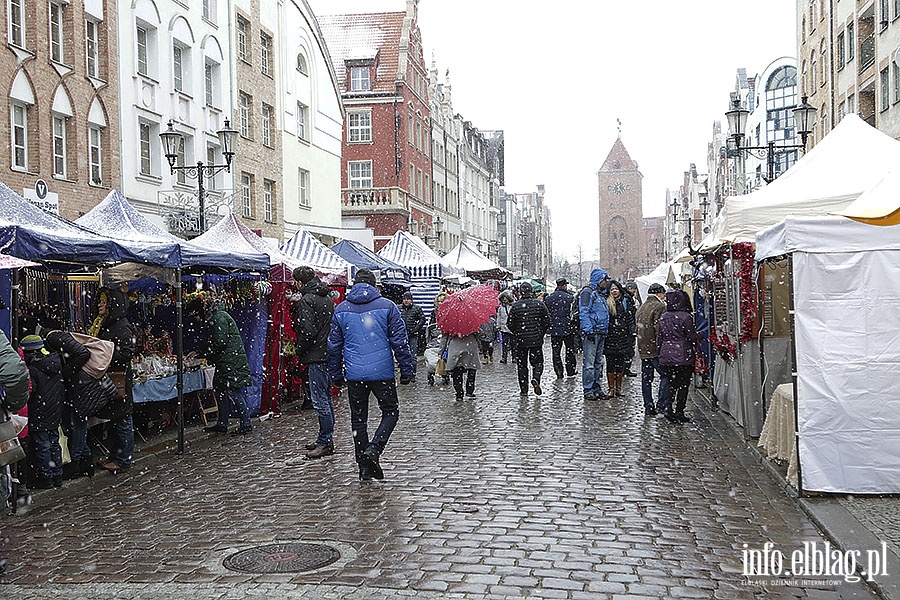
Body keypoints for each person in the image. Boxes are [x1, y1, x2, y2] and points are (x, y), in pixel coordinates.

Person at [327, 269, 414, 481]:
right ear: (374, 285)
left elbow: (333, 346)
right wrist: (406, 369)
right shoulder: (388, 306)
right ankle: (374, 449)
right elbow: (400, 342)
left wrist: (336, 374)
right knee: (390, 412)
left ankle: (363, 466)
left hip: (355, 374)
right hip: (382, 372)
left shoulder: (341, 309)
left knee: (359, 419)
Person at [186, 295, 253, 435]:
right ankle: (222, 423)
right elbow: (216, 341)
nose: (197, 320)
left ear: (201, 312)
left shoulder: (219, 318)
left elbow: (219, 342)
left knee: (233, 392)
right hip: (227, 361)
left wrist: (202, 352)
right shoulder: (217, 317)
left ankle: (246, 423)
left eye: (196, 316)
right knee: (221, 391)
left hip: (230, 361)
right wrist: (200, 351)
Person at [291, 266, 336, 459]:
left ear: (300, 282)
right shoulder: (326, 297)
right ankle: (324, 439)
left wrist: (299, 349)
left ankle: (325, 441)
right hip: (328, 352)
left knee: (320, 400)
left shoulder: (307, 300)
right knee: (325, 398)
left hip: (317, 354)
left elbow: (307, 331)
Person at [91, 287, 136, 473]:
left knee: (123, 418)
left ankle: (124, 459)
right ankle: (115, 455)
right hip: (109, 377)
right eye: (100, 301)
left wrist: (105, 355)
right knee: (116, 419)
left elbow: (126, 353)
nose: (100, 305)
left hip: (118, 379)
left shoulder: (121, 326)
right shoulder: (103, 323)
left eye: (104, 302)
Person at [44, 329, 94, 478]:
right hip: (78, 385)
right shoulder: (57, 337)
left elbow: (83, 354)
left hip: (79, 386)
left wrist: (65, 374)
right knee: (77, 424)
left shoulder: (54, 337)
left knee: (78, 424)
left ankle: (76, 463)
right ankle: (86, 462)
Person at [20, 335, 63, 488]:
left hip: (39, 410)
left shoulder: (33, 369)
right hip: (53, 409)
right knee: (53, 443)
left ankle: (47, 478)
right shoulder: (54, 363)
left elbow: (31, 391)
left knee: (42, 446)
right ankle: (57, 474)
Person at [657, 290, 698, 424]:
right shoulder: (686, 317)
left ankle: (668, 407)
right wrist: (701, 335)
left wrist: (662, 351)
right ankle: (679, 411)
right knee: (683, 384)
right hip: (683, 355)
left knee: (671, 383)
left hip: (667, 355)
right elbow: (691, 337)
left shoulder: (663, 317)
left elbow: (659, 338)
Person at [507, 282, 550, 397]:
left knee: (522, 365)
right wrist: (540, 333)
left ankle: (524, 389)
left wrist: (517, 333)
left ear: (521, 292)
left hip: (521, 340)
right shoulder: (539, 304)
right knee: (538, 362)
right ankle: (536, 377)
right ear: (532, 291)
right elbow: (547, 321)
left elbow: (509, 323)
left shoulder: (516, 306)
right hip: (536, 339)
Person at [635, 283, 669, 416]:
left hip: (643, 348)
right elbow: (659, 330)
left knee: (646, 378)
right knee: (666, 375)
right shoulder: (660, 307)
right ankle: (661, 404)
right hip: (655, 348)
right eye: (663, 294)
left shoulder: (642, 307)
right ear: (659, 293)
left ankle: (648, 405)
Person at [579, 268, 610, 401]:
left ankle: (597, 388)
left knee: (598, 362)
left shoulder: (599, 293)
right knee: (590, 364)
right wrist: (588, 330)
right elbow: (584, 311)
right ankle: (588, 389)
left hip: (601, 331)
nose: (605, 282)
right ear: (599, 279)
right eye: (604, 280)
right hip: (593, 333)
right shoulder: (588, 292)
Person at [603, 281, 635, 398]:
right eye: (612, 289)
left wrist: (632, 332)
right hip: (610, 337)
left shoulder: (625, 301)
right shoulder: (606, 302)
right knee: (610, 363)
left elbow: (630, 318)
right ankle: (611, 388)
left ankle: (618, 388)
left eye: (616, 289)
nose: (614, 291)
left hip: (623, 337)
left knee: (620, 364)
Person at [544, 278, 577, 379]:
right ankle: (570, 370)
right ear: (564, 285)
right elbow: (573, 313)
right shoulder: (570, 298)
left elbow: (546, 314)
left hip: (555, 329)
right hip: (568, 328)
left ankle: (559, 372)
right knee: (569, 350)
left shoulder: (549, 298)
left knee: (556, 352)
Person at [441, 331, 480, 400]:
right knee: (471, 370)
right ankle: (469, 391)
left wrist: (441, 351)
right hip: (470, 346)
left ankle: (459, 393)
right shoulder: (472, 323)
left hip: (456, 347)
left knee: (457, 371)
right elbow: (480, 334)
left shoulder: (450, 324)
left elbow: (444, 338)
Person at [398, 291, 426, 380]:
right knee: (402, 356)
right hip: (401, 335)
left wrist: (415, 329)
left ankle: (413, 374)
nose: (406, 301)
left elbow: (422, 319)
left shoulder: (416, 309)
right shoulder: (398, 309)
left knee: (413, 357)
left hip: (413, 335)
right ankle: (405, 374)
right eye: (404, 299)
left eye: (408, 299)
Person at [622, 281, 640, 377]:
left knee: (629, 349)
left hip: (627, 328)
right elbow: (628, 314)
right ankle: (625, 369)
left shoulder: (627, 298)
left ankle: (625, 369)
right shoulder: (626, 298)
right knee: (628, 350)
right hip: (627, 328)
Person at [496, 292, 516, 364]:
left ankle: (514, 357)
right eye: (503, 298)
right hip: (504, 328)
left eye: (505, 298)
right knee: (504, 344)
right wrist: (498, 326)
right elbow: (499, 317)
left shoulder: (513, 306)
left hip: (512, 328)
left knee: (513, 344)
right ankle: (504, 357)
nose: (504, 300)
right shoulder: (501, 307)